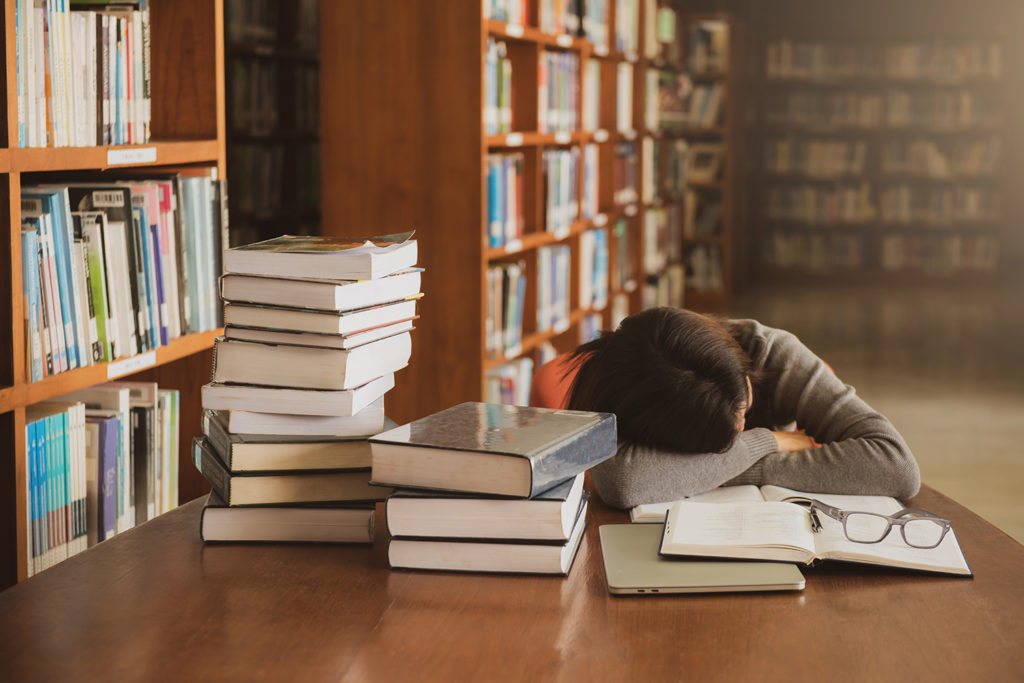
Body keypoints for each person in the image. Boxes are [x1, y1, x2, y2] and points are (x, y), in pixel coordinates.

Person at [564, 307, 920, 509]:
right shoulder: (628, 385)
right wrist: (763, 444)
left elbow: (896, 466)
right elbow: (624, 483)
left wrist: (694, 471)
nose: (740, 428)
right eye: (728, 437)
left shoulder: (774, 353)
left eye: (745, 412)